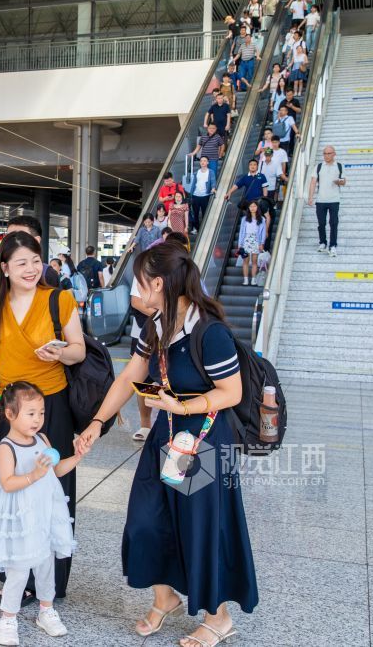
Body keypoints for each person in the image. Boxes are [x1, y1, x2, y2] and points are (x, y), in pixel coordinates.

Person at [76, 243, 257, 647]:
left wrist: (183, 405)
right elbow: (129, 377)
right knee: (146, 518)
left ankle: (219, 618)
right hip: (168, 435)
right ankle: (166, 597)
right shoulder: (157, 324)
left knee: (199, 527)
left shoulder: (209, 331)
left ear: (158, 284)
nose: (135, 289)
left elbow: (231, 392)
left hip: (201, 440)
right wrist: (97, 422)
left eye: (140, 282)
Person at [0, 231, 86, 602]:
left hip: (51, 407)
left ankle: (49, 581)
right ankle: (14, 574)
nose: (31, 268)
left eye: (36, 261)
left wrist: (60, 353)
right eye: (22, 262)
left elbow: (79, 350)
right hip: (9, 410)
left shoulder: (58, 299)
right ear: (5, 268)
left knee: (52, 490)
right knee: (8, 489)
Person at [0, 381, 80, 645]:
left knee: (46, 564)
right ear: (10, 414)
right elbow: (7, 483)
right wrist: (35, 474)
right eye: (31, 413)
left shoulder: (42, 439)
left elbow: (56, 470)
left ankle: (46, 610)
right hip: (20, 517)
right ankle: (8, 618)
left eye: (41, 413)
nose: (37, 419)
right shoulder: (6, 447)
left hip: (44, 511)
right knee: (19, 569)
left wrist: (77, 457)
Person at [308, 145, 346, 257]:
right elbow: (313, 182)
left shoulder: (339, 166)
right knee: (321, 223)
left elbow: (344, 181)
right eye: (324, 153)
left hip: (334, 200)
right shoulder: (319, 166)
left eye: (329, 153)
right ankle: (323, 242)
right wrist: (310, 197)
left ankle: (333, 245)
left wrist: (338, 181)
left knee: (334, 223)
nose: (326, 156)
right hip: (321, 200)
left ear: (334, 154)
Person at [6, 215, 61, 288]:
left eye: (20, 237)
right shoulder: (4, 270)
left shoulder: (47, 274)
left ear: (36, 241)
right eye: (8, 238)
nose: (11, 243)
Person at [237, 200, 267, 286]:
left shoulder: (262, 219)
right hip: (246, 240)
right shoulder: (244, 219)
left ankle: (253, 279)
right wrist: (240, 244)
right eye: (251, 206)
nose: (252, 208)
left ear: (257, 207)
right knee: (245, 261)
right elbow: (241, 232)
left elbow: (263, 232)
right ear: (248, 208)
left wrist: (262, 243)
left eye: (254, 206)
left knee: (254, 261)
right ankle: (246, 279)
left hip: (256, 240)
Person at [188, 156, 217, 231]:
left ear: (207, 162)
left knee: (205, 213)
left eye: (204, 161)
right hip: (195, 195)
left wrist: (213, 188)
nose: (203, 162)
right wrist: (191, 194)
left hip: (205, 196)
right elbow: (194, 184)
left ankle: (205, 229)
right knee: (195, 213)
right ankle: (196, 228)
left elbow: (213, 181)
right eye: (201, 161)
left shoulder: (210, 172)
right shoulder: (196, 172)